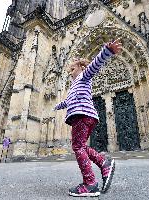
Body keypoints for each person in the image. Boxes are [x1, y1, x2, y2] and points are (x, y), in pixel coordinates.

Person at [53, 39, 122, 197]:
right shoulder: (76, 84)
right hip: (84, 117)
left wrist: (107, 51)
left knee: (78, 147)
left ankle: (90, 183)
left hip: (82, 116)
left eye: (72, 69)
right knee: (81, 146)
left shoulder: (84, 76)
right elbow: (68, 101)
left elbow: (94, 66)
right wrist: (58, 106)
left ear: (80, 67)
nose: (70, 73)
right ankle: (104, 163)